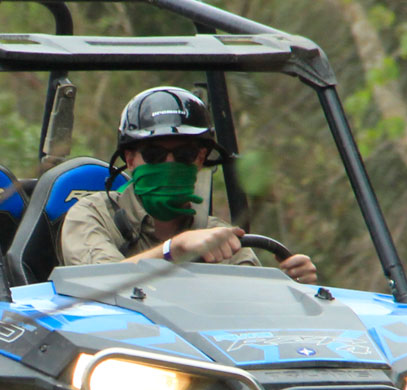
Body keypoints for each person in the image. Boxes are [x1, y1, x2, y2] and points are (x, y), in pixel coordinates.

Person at [60, 86, 319, 283]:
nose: (169, 164)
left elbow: (250, 304)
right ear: (130, 160)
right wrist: (175, 248)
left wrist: (291, 285)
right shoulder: (90, 215)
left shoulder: (218, 234)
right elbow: (100, 282)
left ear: (200, 159)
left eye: (184, 155)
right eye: (154, 155)